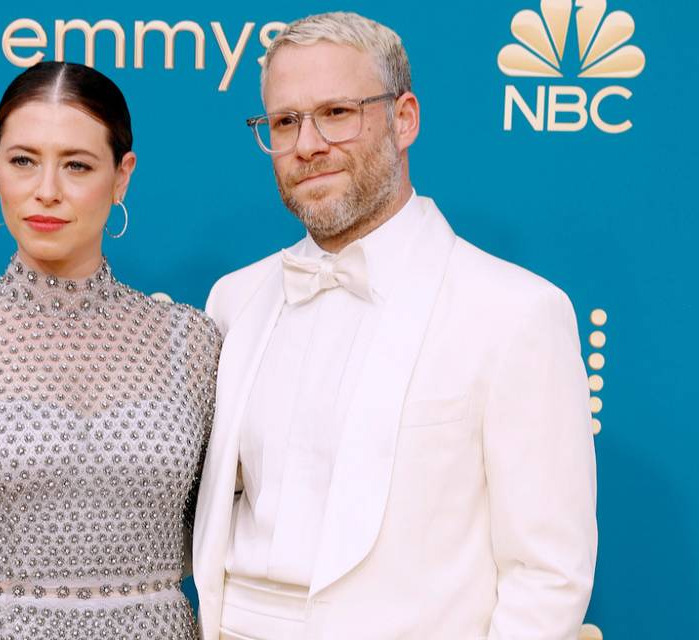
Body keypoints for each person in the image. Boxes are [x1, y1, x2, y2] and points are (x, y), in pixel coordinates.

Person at [192, 12, 597, 640]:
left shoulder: (517, 312)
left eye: (336, 113)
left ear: (403, 119)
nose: (307, 145)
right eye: (284, 122)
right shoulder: (233, 301)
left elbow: (546, 573)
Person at [0, 61, 221, 639]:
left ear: (122, 176)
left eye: (77, 165)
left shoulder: (192, 342)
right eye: (23, 161)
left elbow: (242, 545)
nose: (45, 191)